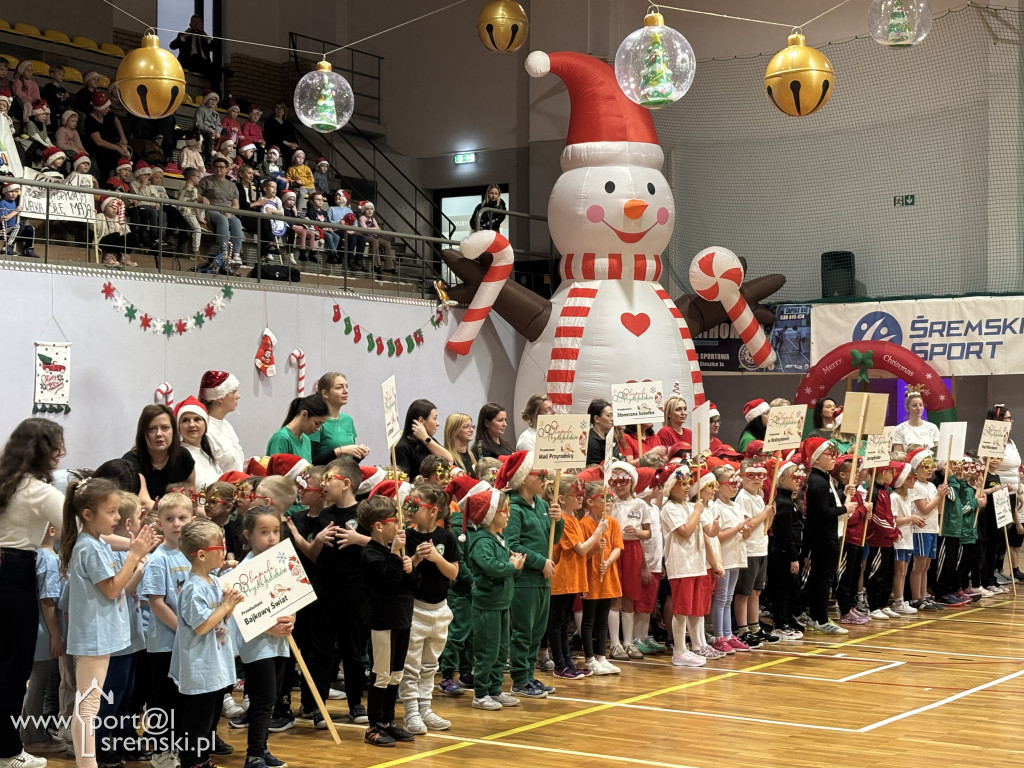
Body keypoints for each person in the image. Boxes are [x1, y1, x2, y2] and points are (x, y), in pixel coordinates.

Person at [60, 477, 154, 768]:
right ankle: (87, 764)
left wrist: (136, 546)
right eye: (111, 511)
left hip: (99, 634)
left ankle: (86, 762)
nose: (117, 517)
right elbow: (112, 589)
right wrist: (135, 555)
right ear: (88, 514)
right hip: (94, 636)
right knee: (89, 705)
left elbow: (113, 542)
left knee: (89, 703)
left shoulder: (95, 540)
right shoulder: (88, 547)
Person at [0, 419, 66, 768]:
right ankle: (7, 751)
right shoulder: (38, 490)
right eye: (56, 446)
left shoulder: (5, 482)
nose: (61, 453)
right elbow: (81, 527)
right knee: (13, 669)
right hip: (14, 573)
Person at [169, 519, 242, 768]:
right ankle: (192, 761)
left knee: (210, 721)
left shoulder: (213, 581)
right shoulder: (193, 588)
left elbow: (221, 619)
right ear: (201, 554)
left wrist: (231, 604)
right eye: (219, 547)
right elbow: (201, 626)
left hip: (216, 664)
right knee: (197, 722)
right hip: (200, 667)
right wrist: (225, 605)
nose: (224, 551)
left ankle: (203, 760)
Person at [302, 458, 369, 727]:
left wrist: (358, 539)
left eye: (330, 479)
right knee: (321, 652)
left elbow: (382, 546)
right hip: (324, 591)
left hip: (353, 592)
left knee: (352, 650)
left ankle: (355, 703)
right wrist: (317, 540)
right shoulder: (324, 515)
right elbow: (315, 556)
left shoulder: (363, 513)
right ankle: (319, 706)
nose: (324, 484)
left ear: (346, 484)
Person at [227, 507, 295, 763]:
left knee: (271, 698)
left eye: (276, 531)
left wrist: (292, 619)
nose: (272, 537)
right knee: (263, 698)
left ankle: (262, 749)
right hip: (256, 644)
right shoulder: (244, 571)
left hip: (279, 642)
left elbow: (292, 596)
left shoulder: (281, 562)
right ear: (248, 535)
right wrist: (270, 628)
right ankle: (254, 754)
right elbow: (244, 611)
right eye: (264, 532)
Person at [497, 451, 562, 698]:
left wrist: (559, 520)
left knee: (537, 632)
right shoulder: (513, 507)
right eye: (540, 474)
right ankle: (519, 679)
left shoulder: (543, 505)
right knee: (523, 631)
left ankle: (529, 675)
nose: (545, 479)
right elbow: (512, 544)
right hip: (524, 579)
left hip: (543, 579)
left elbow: (553, 539)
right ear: (523, 478)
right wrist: (540, 561)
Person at [399, 484, 459, 735]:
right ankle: (411, 711)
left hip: (440, 609)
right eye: (407, 503)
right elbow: (401, 573)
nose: (408, 508)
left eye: (415, 505)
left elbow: (453, 573)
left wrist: (436, 558)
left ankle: (425, 707)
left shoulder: (446, 537)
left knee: (430, 664)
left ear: (433, 511)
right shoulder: (405, 536)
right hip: (415, 608)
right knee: (411, 665)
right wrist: (415, 558)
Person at [358, 495, 417, 747]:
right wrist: (395, 556)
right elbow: (388, 582)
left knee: (396, 674)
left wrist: (411, 567)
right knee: (381, 674)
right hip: (383, 622)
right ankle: (374, 725)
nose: (399, 526)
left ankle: (388, 720)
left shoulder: (394, 552)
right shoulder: (370, 554)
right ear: (379, 526)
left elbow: (410, 586)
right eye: (395, 521)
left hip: (402, 618)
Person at [463, 488, 525, 709]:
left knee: (500, 650)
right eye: (504, 510)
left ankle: (495, 690)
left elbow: (507, 571)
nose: (508, 514)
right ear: (490, 515)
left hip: (501, 603)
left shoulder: (499, 538)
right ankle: (480, 694)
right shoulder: (481, 541)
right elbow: (490, 567)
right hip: (487, 604)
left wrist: (517, 565)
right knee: (487, 651)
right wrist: (511, 566)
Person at [660, 462, 719, 664]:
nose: (687, 487)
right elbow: (684, 532)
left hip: (696, 564)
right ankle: (679, 651)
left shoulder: (691, 506)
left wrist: (715, 525)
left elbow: (709, 532)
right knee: (681, 610)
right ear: (671, 487)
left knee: (692, 609)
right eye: (682, 483)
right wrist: (697, 512)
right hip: (681, 565)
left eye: (688, 483)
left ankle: (691, 647)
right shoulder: (669, 508)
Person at [802, 436, 854, 634]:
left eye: (834, 454)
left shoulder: (824, 479)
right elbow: (823, 512)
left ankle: (815, 616)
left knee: (822, 578)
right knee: (823, 579)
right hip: (823, 536)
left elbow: (828, 503)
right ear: (816, 458)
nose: (834, 457)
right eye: (829, 454)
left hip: (828, 535)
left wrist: (843, 495)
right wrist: (845, 509)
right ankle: (821, 619)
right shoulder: (818, 481)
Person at [545, 474, 594, 678]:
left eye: (582, 493)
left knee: (564, 622)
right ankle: (560, 664)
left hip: (572, 578)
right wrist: (598, 533)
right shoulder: (563, 520)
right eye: (575, 494)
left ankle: (567, 662)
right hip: (561, 578)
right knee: (556, 623)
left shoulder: (573, 519)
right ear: (562, 499)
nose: (580, 497)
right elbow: (580, 549)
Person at [602, 461, 651, 661]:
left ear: (631, 482)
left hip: (632, 550)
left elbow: (647, 533)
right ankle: (615, 644)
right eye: (614, 481)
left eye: (623, 481)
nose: (618, 485)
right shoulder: (608, 503)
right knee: (615, 597)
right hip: (613, 549)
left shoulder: (641, 504)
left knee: (630, 597)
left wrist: (637, 532)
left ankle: (628, 642)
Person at [577, 482, 623, 675]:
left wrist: (609, 561)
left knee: (603, 619)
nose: (609, 501)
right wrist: (596, 548)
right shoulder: (583, 524)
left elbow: (618, 547)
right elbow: (582, 554)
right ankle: (589, 659)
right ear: (590, 502)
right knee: (589, 620)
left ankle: (601, 657)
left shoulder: (612, 522)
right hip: (591, 577)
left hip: (607, 575)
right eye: (604, 498)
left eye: (610, 497)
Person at [733, 461, 777, 646]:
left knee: (756, 591)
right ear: (742, 477)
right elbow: (748, 526)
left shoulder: (759, 497)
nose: (757, 479)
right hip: (748, 550)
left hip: (760, 548)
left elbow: (764, 526)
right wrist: (765, 514)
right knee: (744, 592)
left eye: (761, 475)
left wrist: (770, 515)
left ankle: (754, 626)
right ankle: (742, 629)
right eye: (751, 475)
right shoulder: (742, 498)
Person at [763, 458, 805, 638]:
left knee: (793, 589)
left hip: (789, 552)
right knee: (784, 589)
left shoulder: (790, 502)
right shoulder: (783, 503)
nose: (798, 480)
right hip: (782, 553)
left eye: (799, 477)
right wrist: (792, 558)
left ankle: (787, 618)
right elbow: (785, 534)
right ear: (782, 478)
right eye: (794, 477)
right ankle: (780, 623)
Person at [123, 404, 196, 502]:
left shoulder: (183, 456)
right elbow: (144, 502)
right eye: (152, 429)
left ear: (173, 431)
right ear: (143, 433)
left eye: (165, 428)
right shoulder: (130, 462)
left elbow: (191, 494)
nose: (159, 434)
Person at [907, 448, 947, 610]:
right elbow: (924, 509)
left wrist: (941, 496)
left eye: (932, 466)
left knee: (926, 566)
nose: (930, 469)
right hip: (921, 530)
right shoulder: (916, 486)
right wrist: (939, 496)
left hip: (932, 528)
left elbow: (939, 510)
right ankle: (916, 598)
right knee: (919, 566)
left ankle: (923, 595)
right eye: (926, 466)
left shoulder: (931, 485)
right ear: (916, 468)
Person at [309, 372, 369, 465]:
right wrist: (340, 451)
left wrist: (360, 454)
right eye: (339, 388)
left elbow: (351, 461)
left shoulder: (348, 420)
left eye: (346, 387)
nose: (345, 391)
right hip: (325, 473)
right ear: (325, 393)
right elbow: (311, 461)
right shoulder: (317, 422)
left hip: (347, 471)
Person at [198, 156, 244, 270]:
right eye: (216, 167)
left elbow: (236, 205)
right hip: (212, 209)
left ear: (227, 169)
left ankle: (236, 254)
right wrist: (202, 198)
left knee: (237, 222)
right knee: (222, 220)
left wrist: (230, 211)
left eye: (222, 167)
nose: (219, 169)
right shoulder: (206, 181)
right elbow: (196, 194)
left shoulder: (232, 185)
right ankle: (224, 252)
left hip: (227, 210)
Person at [394, 400, 454, 479]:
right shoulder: (402, 448)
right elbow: (404, 482)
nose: (437, 423)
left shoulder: (428, 441)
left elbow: (449, 461)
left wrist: (426, 439)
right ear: (421, 420)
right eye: (434, 418)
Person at [200, 371, 245, 473]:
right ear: (220, 397)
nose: (238, 396)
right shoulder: (206, 430)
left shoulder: (226, 425)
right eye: (233, 392)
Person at [174, 397, 222, 489]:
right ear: (179, 426)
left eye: (197, 419)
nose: (191, 424)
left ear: (206, 424)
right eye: (185, 420)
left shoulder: (207, 452)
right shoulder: (179, 456)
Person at [170, 15, 229, 89]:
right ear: (190, 25)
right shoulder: (183, 35)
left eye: (198, 22)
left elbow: (216, 49)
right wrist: (184, 36)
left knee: (214, 73)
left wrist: (207, 38)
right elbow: (172, 46)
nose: (196, 24)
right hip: (189, 63)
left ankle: (217, 94)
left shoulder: (204, 38)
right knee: (195, 57)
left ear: (202, 25)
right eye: (194, 22)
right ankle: (222, 69)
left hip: (204, 66)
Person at [266, 394, 329, 462]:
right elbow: (277, 468)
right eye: (317, 423)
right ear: (304, 414)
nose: (318, 428)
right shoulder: (281, 438)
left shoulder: (306, 440)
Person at [84, 92, 130, 182]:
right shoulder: (90, 120)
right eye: (106, 108)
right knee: (106, 159)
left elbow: (116, 120)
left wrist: (123, 137)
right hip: (97, 149)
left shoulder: (108, 115)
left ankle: (118, 181)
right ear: (99, 109)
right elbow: (98, 141)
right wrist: (117, 148)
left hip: (110, 145)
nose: (108, 109)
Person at [327, 190, 368, 272]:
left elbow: (355, 224)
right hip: (336, 230)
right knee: (352, 238)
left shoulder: (349, 210)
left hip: (348, 231)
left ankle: (359, 260)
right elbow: (328, 221)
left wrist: (351, 231)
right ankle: (350, 260)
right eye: (336, 195)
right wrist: (338, 223)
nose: (337, 197)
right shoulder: (331, 209)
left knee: (362, 239)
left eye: (339, 195)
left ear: (344, 198)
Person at [1, 182, 39, 259]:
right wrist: (16, 211)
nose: (14, 194)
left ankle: (29, 249)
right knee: (18, 227)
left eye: (16, 191)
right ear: (5, 192)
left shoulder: (15, 201)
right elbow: (3, 219)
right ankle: (8, 247)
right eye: (11, 191)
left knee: (30, 228)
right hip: (5, 229)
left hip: (15, 228)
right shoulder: (2, 203)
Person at [357, 202, 395, 273]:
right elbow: (365, 230)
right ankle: (376, 265)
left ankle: (389, 266)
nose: (370, 211)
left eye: (371, 209)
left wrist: (373, 229)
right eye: (367, 209)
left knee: (387, 243)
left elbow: (379, 230)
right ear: (364, 211)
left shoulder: (373, 219)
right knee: (375, 242)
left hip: (374, 236)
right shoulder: (362, 218)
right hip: (364, 236)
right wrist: (374, 229)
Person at [585, 399, 619, 468]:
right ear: (597, 419)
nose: (612, 419)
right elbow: (596, 469)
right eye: (608, 416)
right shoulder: (591, 441)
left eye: (612, 415)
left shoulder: (610, 437)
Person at [306, 191, 340, 261]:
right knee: (329, 236)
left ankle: (331, 255)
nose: (320, 201)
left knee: (337, 237)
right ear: (312, 201)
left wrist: (329, 227)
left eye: (321, 199)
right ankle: (334, 253)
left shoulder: (324, 212)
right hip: (317, 230)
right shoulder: (310, 211)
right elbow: (313, 224)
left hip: (325, 229)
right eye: (318, 199)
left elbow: (328, 222)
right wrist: (324, 228)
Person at [40, 66, 70, 131]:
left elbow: (66, 103)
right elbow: (49, 100)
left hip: (61, 108)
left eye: (63, 75)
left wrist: (66, 98)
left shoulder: (63, 89)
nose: (62, 77)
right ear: (52, 75)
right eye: (59, 74)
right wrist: (61, 99)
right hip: (52, 107)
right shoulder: (48, 87)